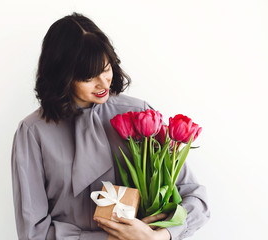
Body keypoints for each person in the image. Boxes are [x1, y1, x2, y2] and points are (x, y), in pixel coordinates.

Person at [11, 12, 210, 240]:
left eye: (106, 69)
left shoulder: (140, 115)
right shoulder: (33, 133)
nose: (103, 82)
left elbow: (196, 199)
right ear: (63, 77)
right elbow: (32, 233)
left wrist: (159, 236)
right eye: (88, 77)